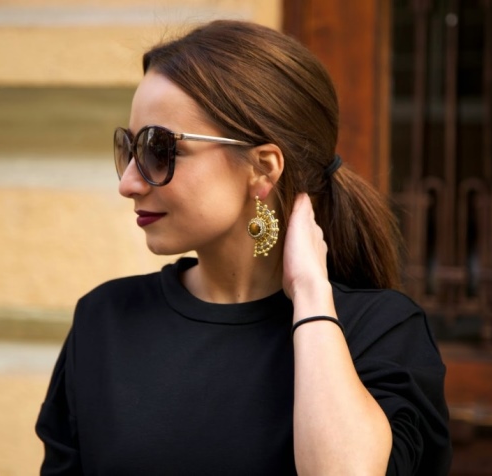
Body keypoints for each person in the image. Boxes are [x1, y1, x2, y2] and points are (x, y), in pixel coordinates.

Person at [35, 19, 451, 475]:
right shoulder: (105, 320)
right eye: (129, 149)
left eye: (159, 149)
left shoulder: (380, 331)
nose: (129, 183)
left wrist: (311, 296)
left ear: (262, 168)